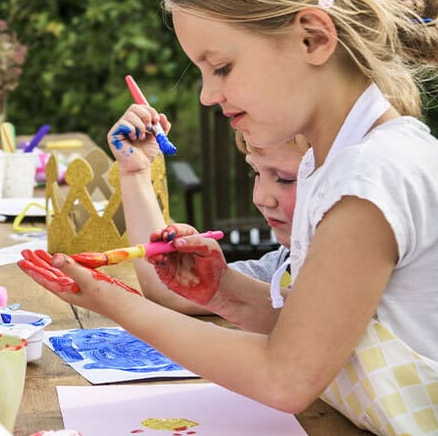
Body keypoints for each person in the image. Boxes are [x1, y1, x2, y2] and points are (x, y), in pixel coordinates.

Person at [21, 0, 438, 436]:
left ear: (313, 36)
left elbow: (285, 377)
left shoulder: (374, 177)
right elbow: (315, 333)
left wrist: (111, 302)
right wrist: (222, 294)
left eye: (222, 67)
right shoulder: (328, 162)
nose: (208, 95)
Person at [108, 103, 304, 316]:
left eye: (285, 179)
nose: (260, 198)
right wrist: (136, 173)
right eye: (255, 173)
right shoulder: (286, 265)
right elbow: (170, 292)